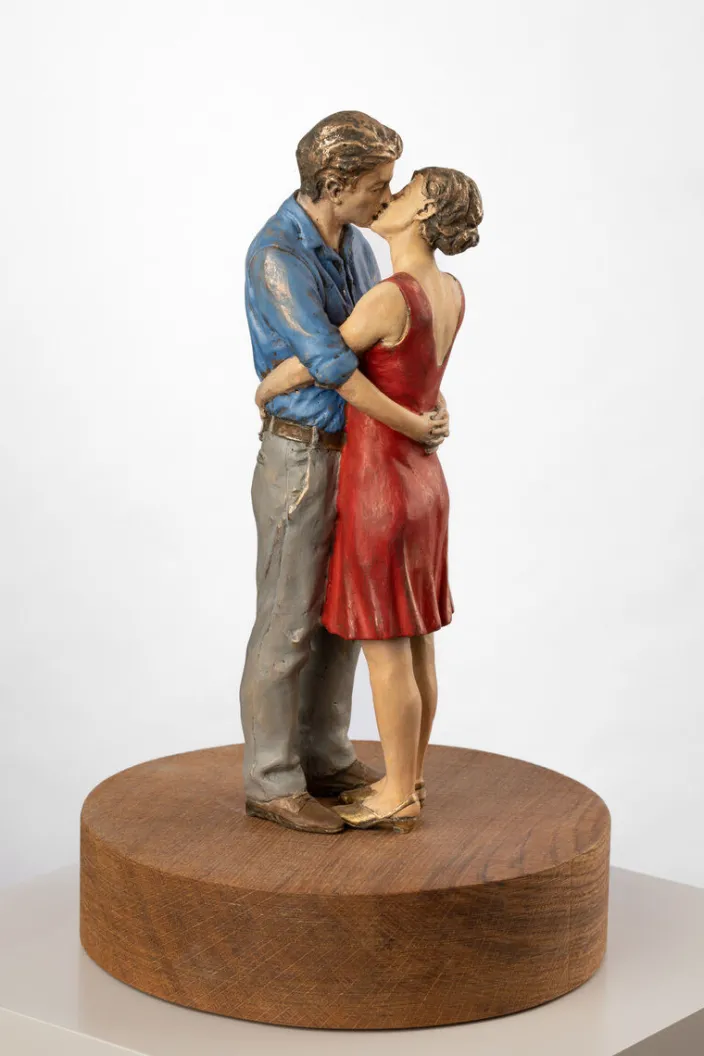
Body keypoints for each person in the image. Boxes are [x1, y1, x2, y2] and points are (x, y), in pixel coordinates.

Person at [240, 112, 450, 835]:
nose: (385, 197)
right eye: (376, 184)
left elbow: (376, 348)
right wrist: (414, 420)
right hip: (302, 456)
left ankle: (325, 757)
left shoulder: (357, 246)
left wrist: (420, 398)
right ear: (335, 183)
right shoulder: (277, 255)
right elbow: (334, 362)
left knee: (341, 622)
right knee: (288, 621)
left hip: (358, 456)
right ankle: (272, 779)